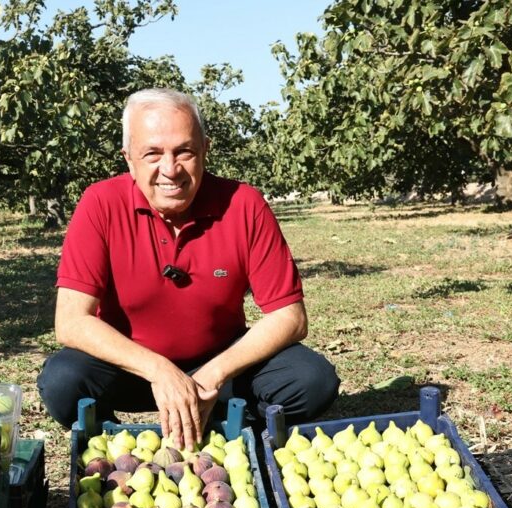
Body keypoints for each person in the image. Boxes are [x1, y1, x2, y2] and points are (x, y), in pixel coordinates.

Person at [36, 88, 340, 450]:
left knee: (312, 379)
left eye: (185, 151)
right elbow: (71, 322)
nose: (171, 169)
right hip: (133, 370)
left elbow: (290, 317)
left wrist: (213, 373)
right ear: (129, 158)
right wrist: (158, 370)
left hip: (221, 365)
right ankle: (114, 446)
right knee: (63, 381)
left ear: (205, 150)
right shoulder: (100, 204)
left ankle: (234, 429)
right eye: (153, 154)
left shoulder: (243, 204)